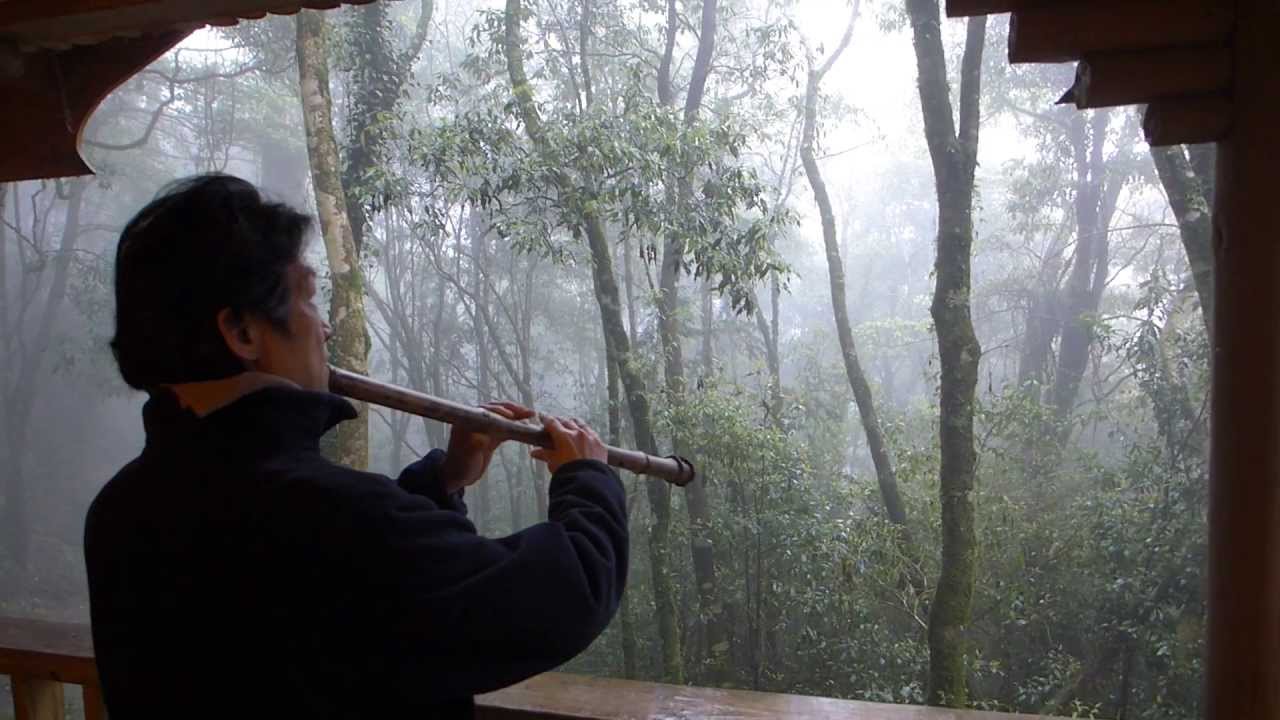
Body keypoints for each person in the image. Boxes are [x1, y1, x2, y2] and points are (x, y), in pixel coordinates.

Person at [84, 174, 627, 718]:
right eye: (308, 299)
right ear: (243, 333)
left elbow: (353, 595)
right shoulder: (329, 516)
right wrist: (587, 478)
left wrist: (442, 482)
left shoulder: (122, 508)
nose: (323, 330)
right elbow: (562, 597)